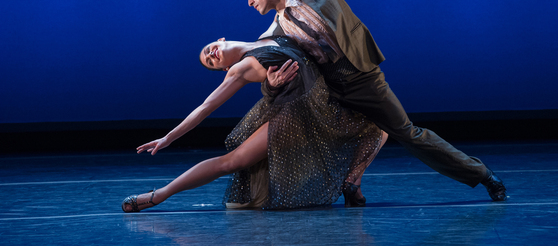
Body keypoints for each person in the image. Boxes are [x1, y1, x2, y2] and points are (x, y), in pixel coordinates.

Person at [244, 0, 507, 201]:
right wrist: (271, 86)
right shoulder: (274, 32)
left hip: (360, 78)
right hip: (326, 92)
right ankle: (347, 185)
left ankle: (482, 175)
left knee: (408, 133)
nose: (249, 1)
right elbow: (263, 70)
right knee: (302, 133)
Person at [121, 36, 386, 212]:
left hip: (322, 107)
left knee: (381, 123)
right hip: (293, 117)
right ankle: (159, 195)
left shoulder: (268, 35)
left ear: (220, 39)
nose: (211, 54)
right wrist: (168, 138)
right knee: (231, 162)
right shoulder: (239, 70)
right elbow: (204, 108)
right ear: (224, 69)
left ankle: (353, 182)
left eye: (208, 50)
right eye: (210, 61)